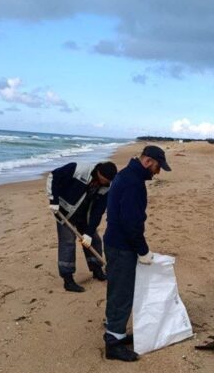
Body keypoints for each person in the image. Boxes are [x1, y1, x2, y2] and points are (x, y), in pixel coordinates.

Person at [102, 145, 171, 361]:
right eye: (157, 167)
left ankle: (117, 332)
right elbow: (131, 222)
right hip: (122, 245)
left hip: (116, 241)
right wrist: (143, 250)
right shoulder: (133, 182)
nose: (156, 172)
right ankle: (113, 343)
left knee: (118, 289)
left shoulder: (126, 174)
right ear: (148, 161)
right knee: (121, 291)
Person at [46, 161, 117, 292]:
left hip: (84, 216)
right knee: (68, 242)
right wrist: (53, 200)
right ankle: (68, 280)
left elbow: (98, 211)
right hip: (64, 212)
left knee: (94, 240)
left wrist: (89, 233)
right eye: (104, 180)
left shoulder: (107, 186)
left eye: (108, 181)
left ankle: (97, 269)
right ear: (99, 172)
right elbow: (53, 176)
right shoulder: (78, 169)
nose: (105, 183)